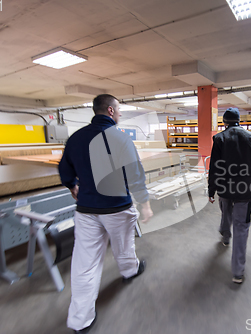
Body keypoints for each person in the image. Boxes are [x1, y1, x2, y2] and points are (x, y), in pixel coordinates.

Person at [59, 94, 153, 333]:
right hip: (117, 208)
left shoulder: (76, 138)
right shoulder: (120, 139)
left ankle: (81, 320)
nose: (120, 114)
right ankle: (130, 271)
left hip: (87, 210)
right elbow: (135, 174)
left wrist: (72, 185)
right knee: (123, 245)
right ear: (110, 110)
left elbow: (64, 168)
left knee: (85, 263)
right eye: (119, 110)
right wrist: (144, 203)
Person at [207, 107, 251, 284]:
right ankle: (237, 272)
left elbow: (214, 168)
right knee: (241, 227)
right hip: (244, 191)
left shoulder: (219, 139)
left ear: (224, 122)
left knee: (225, 212)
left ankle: (225, 237)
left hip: (224, 189)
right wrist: (249, 180)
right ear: (240, 121)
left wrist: (211, 190)